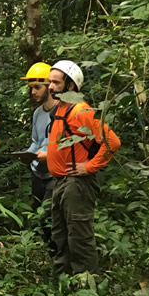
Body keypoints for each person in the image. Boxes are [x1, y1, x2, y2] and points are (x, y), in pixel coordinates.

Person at [46, 60, 121, 275]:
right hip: (59, 182)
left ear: (70, 86)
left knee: (79, 236)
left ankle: (85, 285)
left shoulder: (81, 111)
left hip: (76, 185)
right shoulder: (60, 110)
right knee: (60, 235)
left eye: (56, 83)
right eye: (49, 82)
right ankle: (64, 280)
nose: (51, 87)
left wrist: (89, 167)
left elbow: (112, 142)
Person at [21, 62, 57, 251]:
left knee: (50, 216)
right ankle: (47, 254)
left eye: (37, 87)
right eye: (31, 88)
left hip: (55, 174)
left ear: (49, 86)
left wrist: (49, 154)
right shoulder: (37, 113)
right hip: (38, 173)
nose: (33, 92)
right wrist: (28, 153)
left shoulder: (63, 111)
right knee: (39, 217)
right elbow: (36, 140)